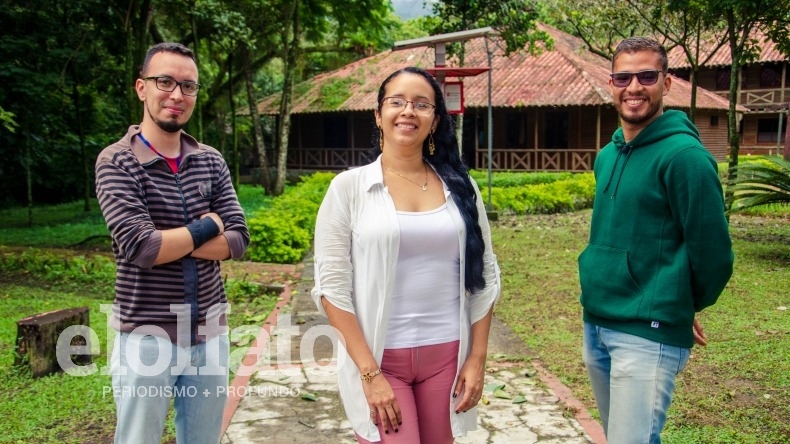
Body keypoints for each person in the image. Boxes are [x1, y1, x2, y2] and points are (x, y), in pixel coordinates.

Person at [311, 66, 501, 443]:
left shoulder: (461, 187)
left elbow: (487, 277)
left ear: (435, 120)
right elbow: (332, 288)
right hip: (382, 358)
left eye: (421, 104)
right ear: (378, 115)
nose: (408, 112)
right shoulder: (349, 189)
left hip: (447, 355)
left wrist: (477, 359)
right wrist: (369, 374)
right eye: (396, 102)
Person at [578, 37, 735, 443]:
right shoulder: (607, 155)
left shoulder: (685, 157)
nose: (634, 87)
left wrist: (676, 301)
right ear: (611, 83)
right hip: (597, 323)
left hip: (646, 333)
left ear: (666, 83)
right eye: (623, 77)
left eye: (647, 76)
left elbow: (714, 256)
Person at [95, 42, 249, 444]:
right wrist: (205, 226)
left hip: (211, 333)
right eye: (165, 81)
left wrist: (175, 238)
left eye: (188, 86)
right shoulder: (116, 161)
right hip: (146, 335)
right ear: (141, 87)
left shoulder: (210, 160)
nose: (177, 95)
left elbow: (237, 238)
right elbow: (143, 248)